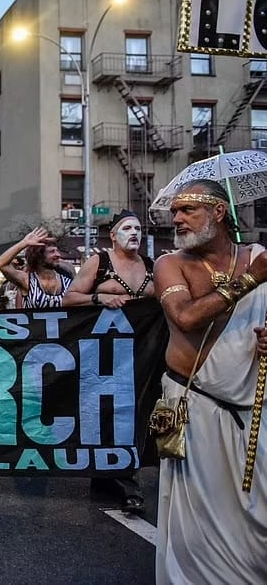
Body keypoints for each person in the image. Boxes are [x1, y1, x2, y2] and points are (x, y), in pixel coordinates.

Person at [153, 179, 267, 582]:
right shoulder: (171, 264)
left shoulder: (258, 256)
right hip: (195, 404)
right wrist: (252, 280)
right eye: (175, 211)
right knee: (200, 521)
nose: (177, 218)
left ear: (219, 212)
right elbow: (184, 318)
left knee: (259, 515)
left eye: (188, 209)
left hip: (255, 407)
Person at [62, 210, 155, 515]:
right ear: (113, 235)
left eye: (138, 228)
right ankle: (103, 476)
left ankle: (129, 485)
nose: (134, 233)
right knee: (101, 414)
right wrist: (98, 299)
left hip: (141, 356)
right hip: (101, 355)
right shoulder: (99, 262)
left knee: (132, 415)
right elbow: (69, 297)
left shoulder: (152, 266)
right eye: (127, 228)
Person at [0, 227, 73, 308]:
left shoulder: (67, 282)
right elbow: (1, 263)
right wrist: (24, 243)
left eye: (57, 251)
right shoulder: (27, 281)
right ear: (39, 256)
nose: (58, 255)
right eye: (52, 251)